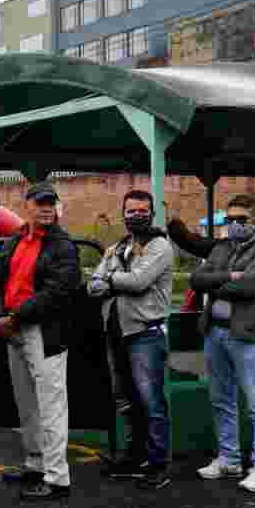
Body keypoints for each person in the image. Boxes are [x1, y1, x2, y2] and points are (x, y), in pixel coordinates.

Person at [0, 181, 81, 501]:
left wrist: (13, 317)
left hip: (45, 332)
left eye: (50, 203)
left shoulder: (63, 245)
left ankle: (58, 479)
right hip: (16, 329)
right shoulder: (15, 240)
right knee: (27, 403)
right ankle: (36, 463)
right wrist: (1, 316)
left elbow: (58, 291)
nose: (46, 208)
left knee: (51, 406)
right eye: (40, 202)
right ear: (26, 205)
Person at [189, 194, 255, 492]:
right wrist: (229, 276)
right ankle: (229, 459)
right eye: (231, 220)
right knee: (221, 399)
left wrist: (219, 281)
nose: (235, 225)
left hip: (249, 335)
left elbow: (252, 286)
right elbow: (196, 279)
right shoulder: (222, 248)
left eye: (242, 220)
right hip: (216, 333)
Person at [88, 190, 174, 489]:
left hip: (145, 332)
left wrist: (109, 280)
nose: (136, 215)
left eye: (142, 211)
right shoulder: (117, 247)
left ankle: (158, 463)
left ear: (151, 213)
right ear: (122, 213)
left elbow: (138, 282)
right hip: (116, 331)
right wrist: (108, 280)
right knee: (126, 399)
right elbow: (92, 285)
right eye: (130, 211)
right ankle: (135, 456)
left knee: (151, 401)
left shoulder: (160, 246)